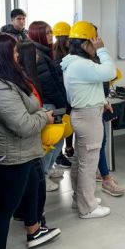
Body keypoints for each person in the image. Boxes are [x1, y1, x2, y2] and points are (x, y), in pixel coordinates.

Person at [0, 33, 61, 249]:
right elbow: (22, 125)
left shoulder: (4, 78)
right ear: (3, 55)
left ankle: (35, 230)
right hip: (12, 155)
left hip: (23, 151)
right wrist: (44, 117)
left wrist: (37, 113)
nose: (18, 55)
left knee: (30, 193)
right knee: (5, 209)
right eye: (15, 51)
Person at [61, 21, 116, 218]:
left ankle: (80, 200)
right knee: (88, 164)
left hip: (82, 113)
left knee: (80, 161)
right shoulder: (81, 64)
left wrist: (102, 100)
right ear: (85, 44)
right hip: (88, 118)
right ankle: (88, 207)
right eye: (94, 42)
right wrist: (102, 51)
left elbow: (87, 88)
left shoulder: (71, 61)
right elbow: (109, 72)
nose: (96, 46)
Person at [28, 21, 71, 190]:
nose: (50, 35)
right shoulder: (37, 55)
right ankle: (44, 175)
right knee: (50, 143)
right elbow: (48, 85)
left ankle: (50, 167)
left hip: (55, 102)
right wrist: (62, 103)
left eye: (51, 32)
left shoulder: (45, 52)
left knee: (57, 140)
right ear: (38, 34)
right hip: (48, 104)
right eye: (46, 33)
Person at [53, 21, 74, 159]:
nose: (71, 41)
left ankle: (69, 147)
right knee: (62, 124)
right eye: (69, 39)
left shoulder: (67, 52)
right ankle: (60, 154)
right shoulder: (56, 55)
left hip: (67, 94)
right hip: (61, 95)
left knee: (68, 122)